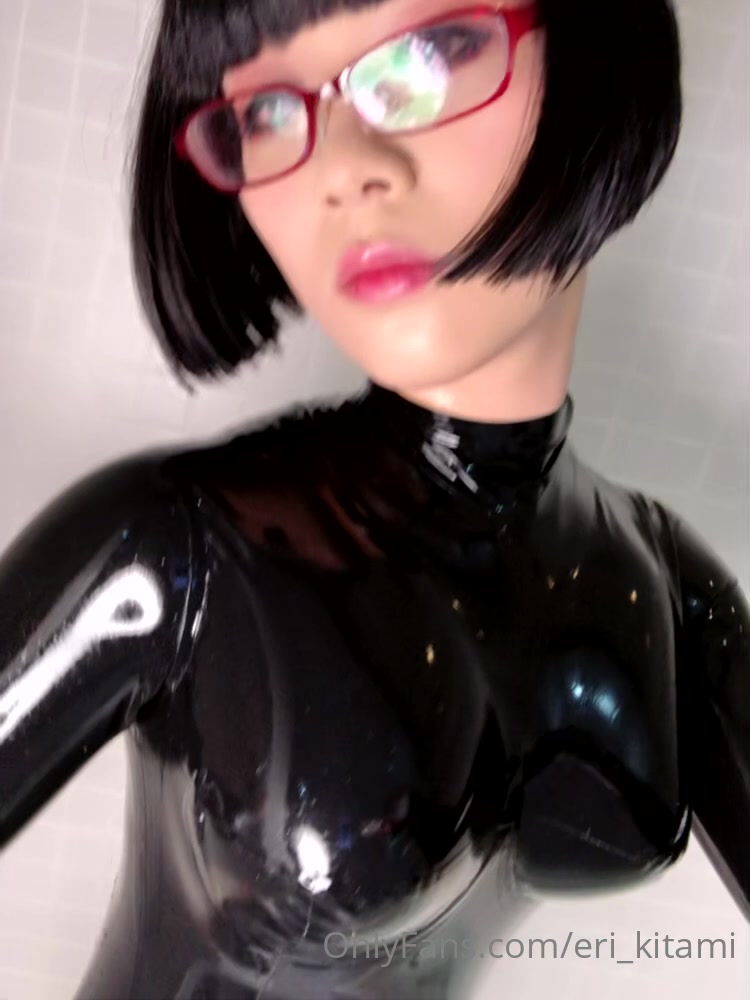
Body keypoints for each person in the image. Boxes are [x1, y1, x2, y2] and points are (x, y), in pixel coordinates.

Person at [0, 0, 747, 997]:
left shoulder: (665, 584)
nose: (341, 168)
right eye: (266, 113)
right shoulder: (181, 552)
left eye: (432, 53)